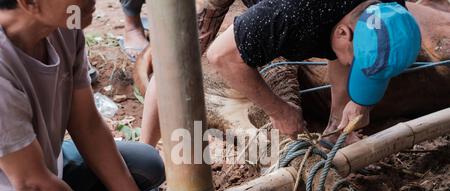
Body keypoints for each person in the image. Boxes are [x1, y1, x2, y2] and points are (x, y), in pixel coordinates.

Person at [0, 0, 169, 191]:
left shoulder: (64, 27)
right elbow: (31, 184)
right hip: (20, 182)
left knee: (146, 163)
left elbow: (87, 123)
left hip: (33, 167)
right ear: (29, 3)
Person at [141, 0, 421, 146]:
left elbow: (340, 55)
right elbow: (221, 57)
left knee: (344, 55)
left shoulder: (390, 12)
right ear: (342, 31)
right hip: (290, 12)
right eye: (358, 64)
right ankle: (144, 160)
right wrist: (279, 111)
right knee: (176, 60)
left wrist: (348, 113)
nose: (353, 67)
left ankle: (334, 131)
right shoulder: (293, 15)